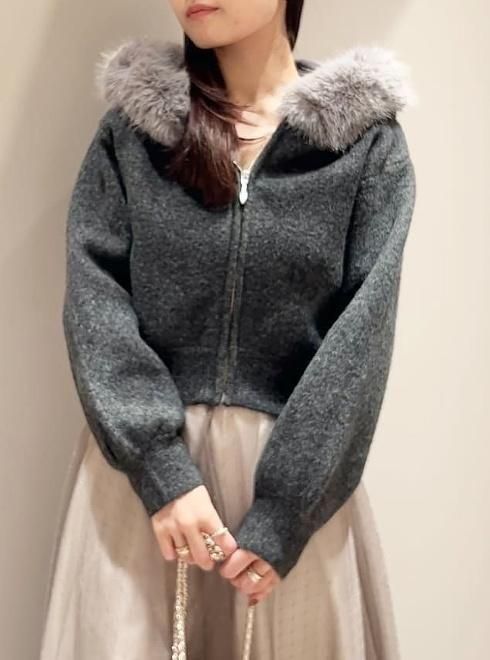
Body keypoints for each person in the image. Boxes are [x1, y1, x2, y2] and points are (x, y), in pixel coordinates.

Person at [40, 0, 417, 658]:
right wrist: (160, 470)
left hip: (290, 493)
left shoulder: (364, 148)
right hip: (143, 492)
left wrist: (286, 512)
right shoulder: (133, 135)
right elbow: (94, 301)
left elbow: (361, 342)